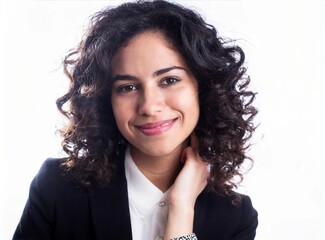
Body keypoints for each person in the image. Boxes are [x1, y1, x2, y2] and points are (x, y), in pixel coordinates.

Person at [13, 0, 258, 239]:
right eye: (128, 87)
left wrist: (181, 209)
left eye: (169, 80)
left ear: (203, 88)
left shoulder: (234, 219)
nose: (150, 106)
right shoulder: (57, 189)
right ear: (105, 100)